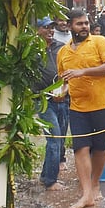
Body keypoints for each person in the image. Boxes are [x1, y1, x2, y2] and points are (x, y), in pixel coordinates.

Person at [56, 7, 105, 208]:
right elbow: (64, 79)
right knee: (80, 147)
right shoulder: (63, 52)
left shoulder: (100, 42)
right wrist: (61, 92)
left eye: (86, 23)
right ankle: (86, 194)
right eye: (79, 24)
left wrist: (83, 72)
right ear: (69, 26)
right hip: (78, 106)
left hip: (104, 102)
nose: (84, 27)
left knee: (100, 147)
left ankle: (94, 183)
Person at [36, 18, 68, 191]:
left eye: (51, 28)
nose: (50, 31)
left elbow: (67, 69)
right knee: (54, 137)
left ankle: (45, 175)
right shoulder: (32, 50)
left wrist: (64, 90)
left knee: (60, 139)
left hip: (62, 98)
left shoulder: (61, 47)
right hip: (43, 100)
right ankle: (50, 180)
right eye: (45, 28)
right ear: (37, 30)